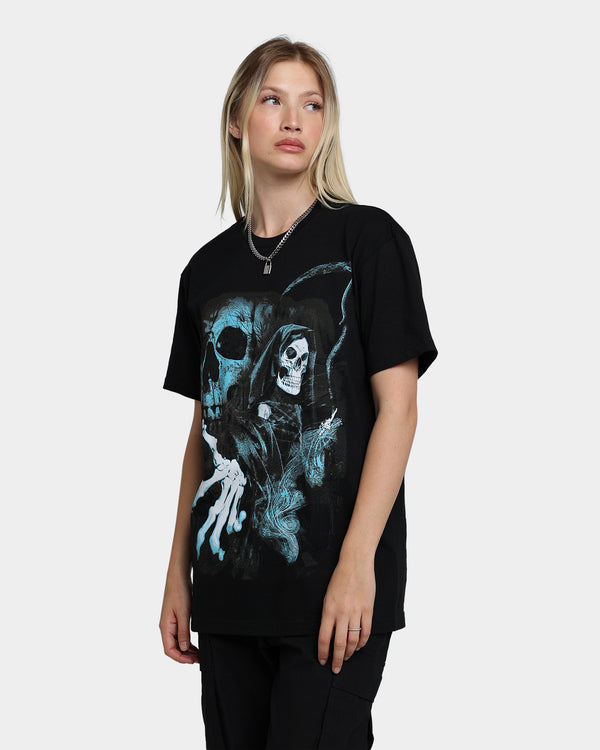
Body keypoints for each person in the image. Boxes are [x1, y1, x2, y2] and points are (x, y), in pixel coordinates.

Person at [159, 35, 438, 750]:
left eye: (312, 105)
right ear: (236, 120)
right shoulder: (204, 271)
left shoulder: (369, 241)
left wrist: (357, 564)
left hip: (332, 593)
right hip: (227, 592)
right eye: (273, 100)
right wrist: (177, 573)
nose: (294, 120)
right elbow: (204, 433)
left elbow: (399, 410)